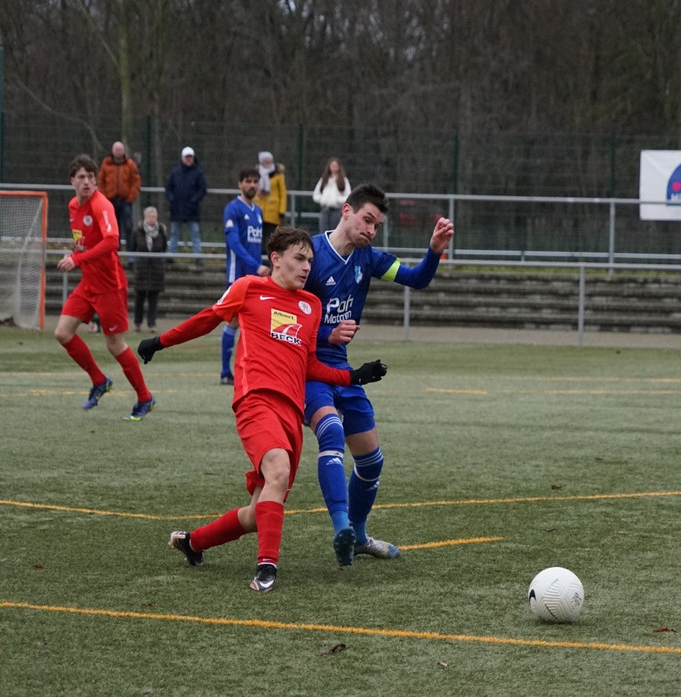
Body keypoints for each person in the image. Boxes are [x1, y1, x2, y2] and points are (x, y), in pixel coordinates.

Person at [137, 226, 388, 593]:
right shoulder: (248, 288)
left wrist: (353, 376)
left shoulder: (311, 306)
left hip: (291, 411)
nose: (307, 267)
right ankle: (267, 568)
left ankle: (193, 543)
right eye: (299, 258)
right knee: (278, 471)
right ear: (276, 259)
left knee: (258, 512)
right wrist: (160, 342)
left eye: (310, 260)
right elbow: (208, 319)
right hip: (255, 400)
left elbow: (310, 365)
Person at [304, 183, 454, 566]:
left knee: (371, 461)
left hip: (342, 369)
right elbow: (283, 316)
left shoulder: (367, 259)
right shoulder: (309, 254)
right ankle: (342, 529)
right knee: (331, 432)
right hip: (305, 367)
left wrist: (434, 251)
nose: (371, 230)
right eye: (367, 220)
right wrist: (325, 333)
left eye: (377, 225)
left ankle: (358, 536)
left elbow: (416, 279)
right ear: (346, 211)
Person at [54, 154, 156, 420]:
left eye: (91, 177)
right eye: (81, 177)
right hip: (89, 284)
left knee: (115, 345)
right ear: (72, 181)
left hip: (110, 286)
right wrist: (74, 255)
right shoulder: (73, 206)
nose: (87, 182)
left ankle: (145, 397)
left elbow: (112, 241)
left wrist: (77, 260)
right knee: (63, 333)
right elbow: (84, 242)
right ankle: (99, 381)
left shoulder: (102, 205)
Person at [220, 168, 269, 385]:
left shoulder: (258, 211)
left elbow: (254, 246)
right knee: (233, 322)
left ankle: (252, 370)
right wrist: (256, 266)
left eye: (255, 181)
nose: (252, 185)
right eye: (248, 181)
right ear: (240, 184)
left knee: (255, 323)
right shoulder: (233, 209)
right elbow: (234, 244)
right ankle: (225, 372)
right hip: (238, 276)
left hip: (255, 277)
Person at [127, 206, 169, 333]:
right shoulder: (138, 231)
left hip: (156, 269)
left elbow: (164, 246)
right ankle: (137, 323)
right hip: (142, 269)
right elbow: (133, 246)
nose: (152, 219)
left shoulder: (161, 231)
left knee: (153, 299)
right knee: (139, 298)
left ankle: (152, 324)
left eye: (154, 216)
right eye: (149, 216)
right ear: (145, 217)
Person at [165, 146, 207, 266]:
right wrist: (172, 199)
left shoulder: (198, 173)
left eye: (190, 157)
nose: (188, 159)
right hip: (177, 208)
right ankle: (170, 255)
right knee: (174, 233)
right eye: (186, 157)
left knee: (195, 233)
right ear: (182, 158)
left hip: (192, 209)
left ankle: (197, 256)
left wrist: (194, 201)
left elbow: (202, 189)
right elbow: (168, 188)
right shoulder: (175, 172)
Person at [98, 141, 141, 254]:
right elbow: (101, 182)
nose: (118, 152)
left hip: (125, 201)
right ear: (112, 151)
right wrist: (104, 198)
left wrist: (130, 198)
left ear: (123, 151)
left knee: (128, 226)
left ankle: (130, 253)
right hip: (110, 202)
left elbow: (136, 182)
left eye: (120, 149)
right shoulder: (106, 164)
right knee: (113, 228)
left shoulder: (130, 164)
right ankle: (114, 251)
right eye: (116, 149)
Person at [256, 151, 287, 252]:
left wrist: (282, 210)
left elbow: (282, 193)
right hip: (258, 210)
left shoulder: (278, 175)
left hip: (273, 211)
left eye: (270, 159)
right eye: (266, 159)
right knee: (258, 238)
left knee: (270, 237)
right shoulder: (257, 174)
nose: (268, 161)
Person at [312, 157, 351, 232]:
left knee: (334, 232)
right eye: (332, 165)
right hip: (325, 210)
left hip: (337, 211)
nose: (334, 168)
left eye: (335, 166)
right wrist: (322, 199)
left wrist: (336, 200)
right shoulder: (324, 179)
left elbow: (348, 196)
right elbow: (316, 194)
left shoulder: (344, 180)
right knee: (323, 232)